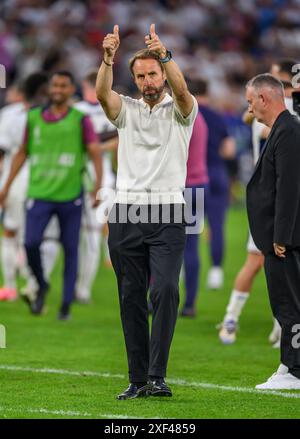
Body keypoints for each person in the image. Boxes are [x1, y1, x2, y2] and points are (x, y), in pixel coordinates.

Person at [96, 24, 198, 399]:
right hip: (125, 214)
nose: (147, 80)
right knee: (130, 297)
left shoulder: (182, 110)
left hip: (169, 211)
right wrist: (108, 59)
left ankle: (158, 375)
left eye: (152, 73)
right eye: (140, 75)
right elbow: (102, 93)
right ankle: (138, 379)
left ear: (163, 74)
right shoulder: (127, 110)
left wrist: (165, 54)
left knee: (167, 290)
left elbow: (183, 90)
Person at [0, 71, 102, 320]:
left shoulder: (80, 119)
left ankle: (66, 304)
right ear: (49, 88)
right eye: (55, 85)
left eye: (63, 86)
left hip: (70, 194)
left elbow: (95, 152)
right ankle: (41, 284)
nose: (58, 89)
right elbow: (23, 152)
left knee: (70, 249)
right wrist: (5, 187)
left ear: (71, 90)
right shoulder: (34, 117)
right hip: (39, 191)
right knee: (30, 243)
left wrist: (97, 186)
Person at [218, 60, 299, 345]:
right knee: (264, 264)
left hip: (272, 199)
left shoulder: (278, 115)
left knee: (269, 266)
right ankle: (238, 318)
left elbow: (247, 119)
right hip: (271, 202)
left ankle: (270, 325)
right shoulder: (283, 117)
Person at [246, 73, 300, 390]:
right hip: (282, 239)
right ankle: (289, 364)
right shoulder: (283, 129)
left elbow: (289, 187)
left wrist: (282, 235)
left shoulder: (289, 132)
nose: (250, 109)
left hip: (286, 241)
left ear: (265, 98)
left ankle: (294, 371)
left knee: (290, 304)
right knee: (286, 304)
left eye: (251, 101)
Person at [0, 73, 49, 301]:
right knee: (34, 236)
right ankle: (31, 284)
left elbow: (2, 151)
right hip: (41, 178)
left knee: (10, 232)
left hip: (13, 177)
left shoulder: (9, 115)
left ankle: (9, 286)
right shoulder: (49, 116)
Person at [74, 70, 118, 303]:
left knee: (87, 232)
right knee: (92, 230)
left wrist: (92, 148)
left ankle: (81, 289)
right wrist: (100, 148)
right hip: (101, 178)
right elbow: (119, 139)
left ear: (84, 85)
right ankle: (82, 288)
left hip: (85, 177)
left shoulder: (76, 111)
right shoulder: (109, 109)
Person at [195, 79, 236, 290]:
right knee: (217, 225)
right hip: (217, 173)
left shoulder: (187, 114)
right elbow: (229, 149)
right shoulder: (218, 117)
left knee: (185, 228)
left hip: (192, 175)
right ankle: (216, 272)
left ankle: (184, 269)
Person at [180, 102, 209, 317]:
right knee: (191, 246)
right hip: (197, 186)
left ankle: (155, 296)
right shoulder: (199, 118)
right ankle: (190, 303)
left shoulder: (180, 117)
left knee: (155, 243)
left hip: (179, 187)